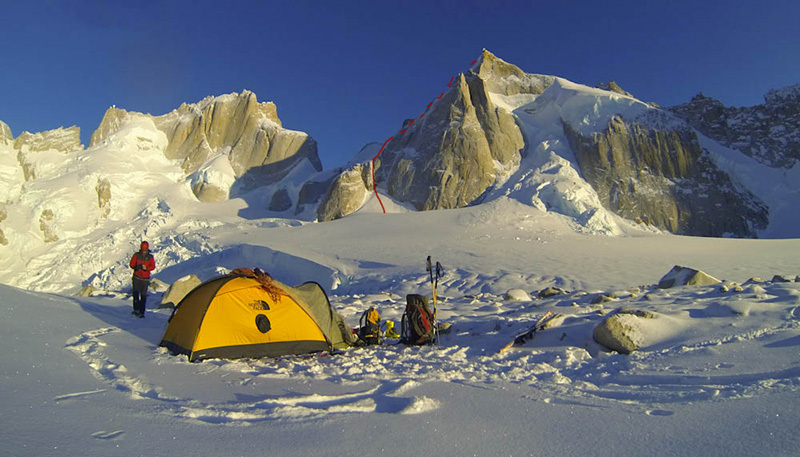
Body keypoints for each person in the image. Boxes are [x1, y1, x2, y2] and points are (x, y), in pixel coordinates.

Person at [129, 241, 156, 318]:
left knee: (143, 295)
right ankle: (136, 309)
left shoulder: (150, 257)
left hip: (145, 279)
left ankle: (141, 312)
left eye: (145, 250)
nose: (144, 252)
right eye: (143, 250)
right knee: (136, 294)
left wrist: (146, 268)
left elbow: (153, 266)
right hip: (137, 277)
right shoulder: (136, 255)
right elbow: (132, 264)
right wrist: (138, 267)